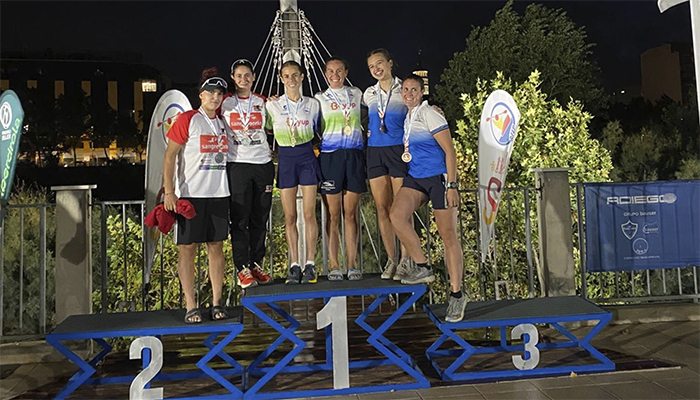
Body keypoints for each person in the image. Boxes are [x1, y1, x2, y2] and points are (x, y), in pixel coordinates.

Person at [389, 74, 467, 323]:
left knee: (448, 236)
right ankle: (422, 266)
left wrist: (452, 185)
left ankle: (457, 294)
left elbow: (450, 151)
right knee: (396, 215)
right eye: (405, 90)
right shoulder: (409, 116)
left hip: (438, 179)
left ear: (422, 92)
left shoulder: (430, 114)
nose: (409, 93)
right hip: (416, 177)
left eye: (414, 89)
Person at [163, 68, 232, 323]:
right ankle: (191, 305)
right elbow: (169, 157)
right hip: (190, 195)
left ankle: (217, 302)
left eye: (219, 93)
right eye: (210, 92)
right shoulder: (188, 119)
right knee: (187, 249)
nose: (215, 97)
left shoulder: (223, 122)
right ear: (201, 95)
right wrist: (169, 192)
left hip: (219, 193)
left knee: (216, 247)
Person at [265, 60, 321, 284]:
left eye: (295, 75)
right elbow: (267, 128)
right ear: (281, 78)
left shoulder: (313, 104)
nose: (291, 79)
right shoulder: (272, 105)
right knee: (290, 216)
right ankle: (294, 264)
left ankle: (310, 263)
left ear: (302, 77)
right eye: (286, 76)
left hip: (307, 157)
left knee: (309, 214)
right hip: (286, 159)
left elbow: (318, 129)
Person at [219, 59, 274, 289]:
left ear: (254, 77)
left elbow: (275, 125)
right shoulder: (225, 102)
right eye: (239, 75)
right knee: (240, 219)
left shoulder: (263, 102)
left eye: (248, 75)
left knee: (260, 217)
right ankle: (242, 267)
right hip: (237, 164)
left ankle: (256, 264)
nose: (244, 79)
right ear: (233, 78)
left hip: (263, 164)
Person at [362, 48, 412, 281]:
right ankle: (391, 259)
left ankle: (406, 259)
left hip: (398, 151)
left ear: (390, 63)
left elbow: (418, 111)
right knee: (382, 208)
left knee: (401, 209)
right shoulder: (368, 94)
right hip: (374, 152)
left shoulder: (404, 89)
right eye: (371, 66)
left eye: (379, 63)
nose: (376, 69)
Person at [315, 57, 366, 281]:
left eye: (339, 71)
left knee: (351, 214)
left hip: (354, 156)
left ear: (346, 72)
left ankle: (352, 264)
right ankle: (334, 265)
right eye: (330, 71)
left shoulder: (357, 93)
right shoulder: (319, 99)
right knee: (333, 215)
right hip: (330, 158)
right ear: (325, 73)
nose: (334, 75)